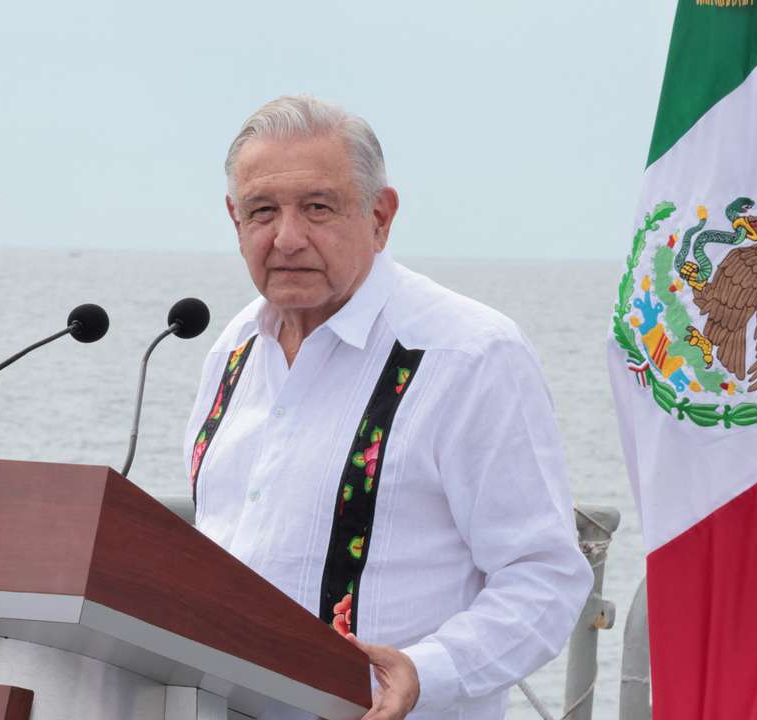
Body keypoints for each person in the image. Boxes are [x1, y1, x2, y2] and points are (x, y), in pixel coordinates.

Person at [183, 95, 593, 720]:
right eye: (263, 211)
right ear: (234, 220)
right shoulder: (233, 349)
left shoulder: (469, 354)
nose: (287, 238)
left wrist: (426, 672)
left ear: (380, 216)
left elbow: (546, 577)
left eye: (318, 208)